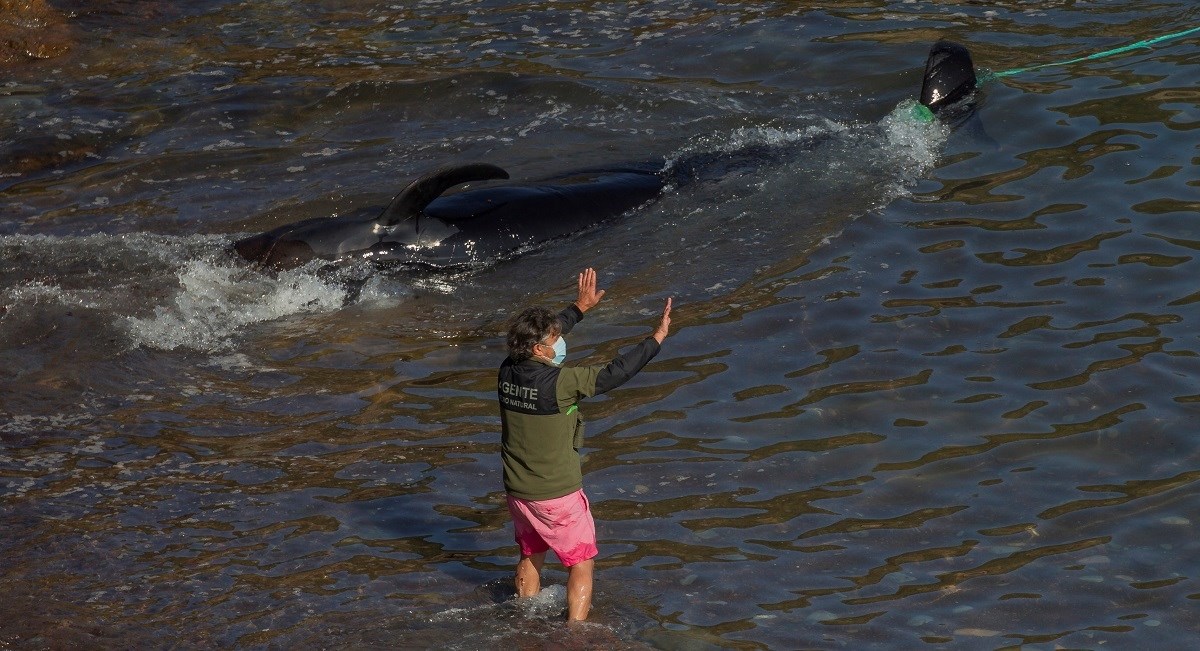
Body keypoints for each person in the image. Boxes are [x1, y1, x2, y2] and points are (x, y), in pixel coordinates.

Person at [498, 267, 672, 622]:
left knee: (532, 552)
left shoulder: (506, 370)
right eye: (553, 338)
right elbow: (615, 372)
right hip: (556, 494)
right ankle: (576, 634)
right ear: (538, 349)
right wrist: (655, 340)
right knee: (581, 561)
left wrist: (579, 308)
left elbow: (549, 332)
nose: (559, 340)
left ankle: (525, 618)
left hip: (518, 491)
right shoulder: (560, 383)